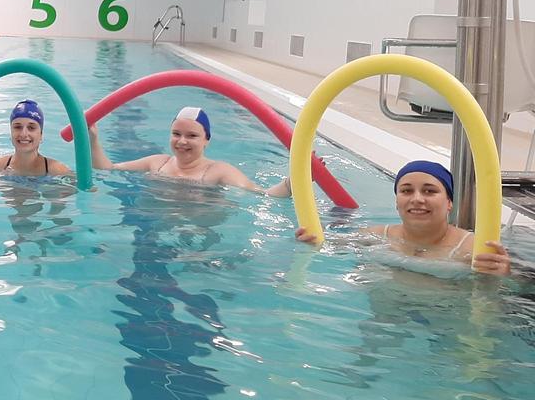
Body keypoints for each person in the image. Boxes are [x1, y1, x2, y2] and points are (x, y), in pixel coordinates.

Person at [295, 160, 510, 275]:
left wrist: (503, 274)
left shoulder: (471, 249)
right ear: (397, 202)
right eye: (406, 191)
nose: (417, 199)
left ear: (449, 202)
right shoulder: (373, 235)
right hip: (384, 320)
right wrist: (310, 240)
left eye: (429, 191)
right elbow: (325, 246)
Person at [87, 106, 290, 196]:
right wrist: (93, 139)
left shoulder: (218, 171)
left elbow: (263, 195)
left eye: (192, 136)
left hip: (200, 236)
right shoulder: (157, 163)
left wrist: (293, 182)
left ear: (206, 140)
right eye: (176, 133)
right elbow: (107, 169)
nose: (182, 141)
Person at [0, 100, 72, 177]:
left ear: (41, 135)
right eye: (18, 127)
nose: (24, 134)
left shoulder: (58, 171)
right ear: (11, 133)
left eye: (31, 128)